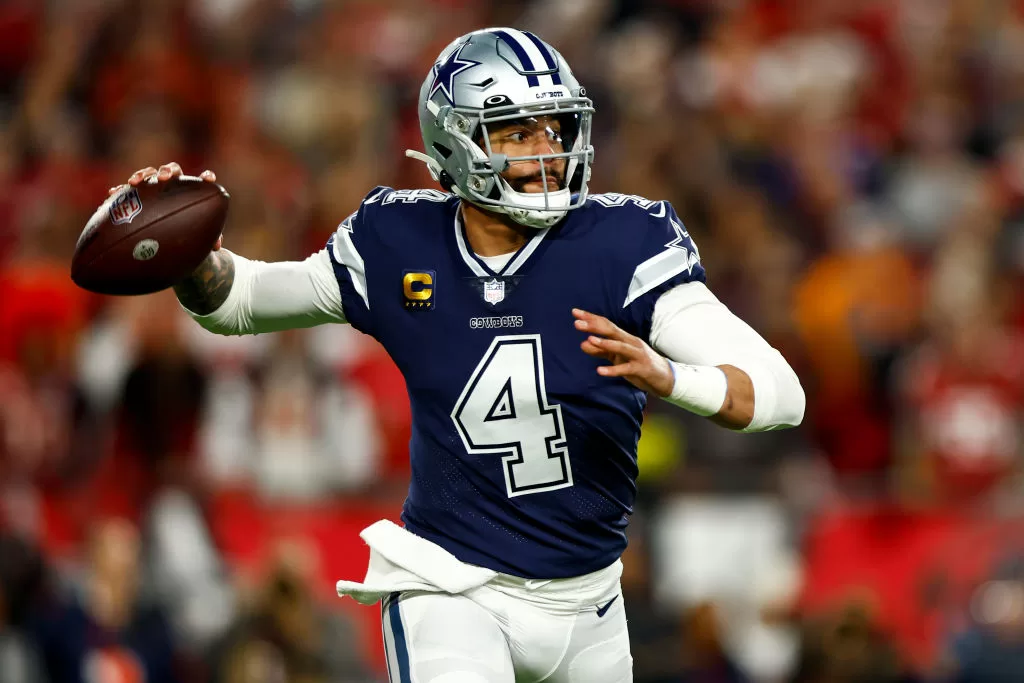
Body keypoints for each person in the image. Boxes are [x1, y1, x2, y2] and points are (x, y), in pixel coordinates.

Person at [110, 27, 805, 683]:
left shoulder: (625, 244)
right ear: (455, 140)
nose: (545, 149)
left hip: (591, 598)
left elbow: (779, 394)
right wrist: (191, 255)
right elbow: (241, 301)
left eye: (554, 127)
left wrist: (672, 377)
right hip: (451, 585)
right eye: (515, 131)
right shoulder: (398, 241)